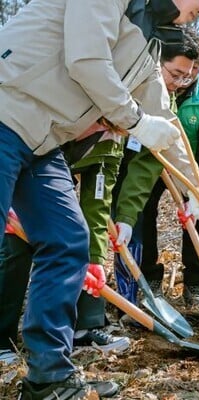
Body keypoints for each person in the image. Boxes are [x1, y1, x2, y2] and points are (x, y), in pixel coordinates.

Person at [0, 0, 199, 397]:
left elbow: (166, 120)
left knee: (68, 241)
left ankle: (48, 379)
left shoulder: (151, 40)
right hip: (7, 110)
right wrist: (136, 122)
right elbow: (86, 60)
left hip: (43, 141)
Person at [0, 127, 131, 369]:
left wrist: (95, 257)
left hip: (56, 166)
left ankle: (84, 327)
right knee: (16, 245)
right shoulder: (56, 109)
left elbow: (97, 202)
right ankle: (2, 337)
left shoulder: (113, 137)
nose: (107, 128)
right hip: (23, 157)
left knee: (76, 241)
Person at [137, 30, 199, 311]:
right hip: (150, 162)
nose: (188, 76)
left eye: (196, 69)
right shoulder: (152, 86)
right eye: (182, 70)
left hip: (190, 167)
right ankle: (148, 281)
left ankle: (196, 285)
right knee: (142, 211)